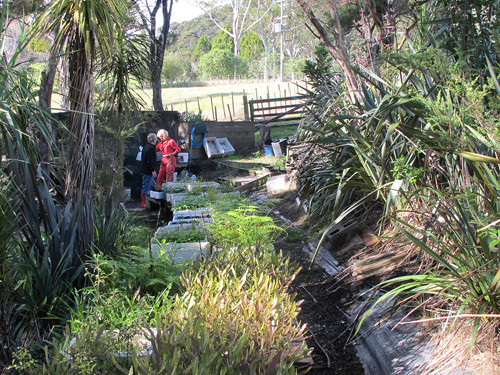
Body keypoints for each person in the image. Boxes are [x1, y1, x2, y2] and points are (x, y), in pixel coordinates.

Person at [140, 133, 158, 208]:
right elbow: (150, 161)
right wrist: (153, 170)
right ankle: (143, 203)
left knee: (154, 185)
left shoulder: (145, 146)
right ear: (154, 140)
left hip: (145, 169)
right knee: (146, 187)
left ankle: (153, 201)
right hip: (148, 171)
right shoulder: (151, 149)